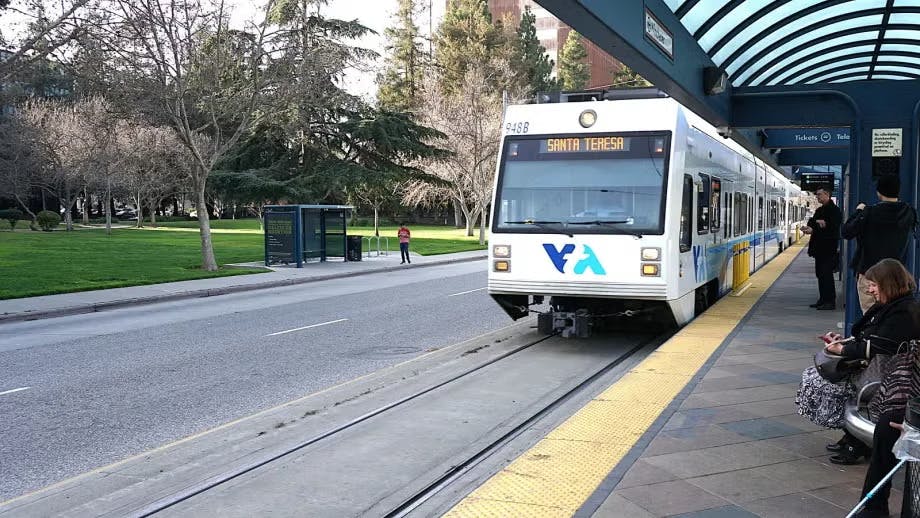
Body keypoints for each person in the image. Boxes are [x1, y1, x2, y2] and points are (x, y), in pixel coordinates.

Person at [823, 258, 920, 516]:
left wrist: (842, 349)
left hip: (899, 391)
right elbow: (869, 337)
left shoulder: (903, 313)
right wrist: (843, 343)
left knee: (884, 435)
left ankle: (874, 506)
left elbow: (878, 344)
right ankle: (874, 505)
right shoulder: (896, 307)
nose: (870, 290)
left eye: (874, 284)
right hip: (897, 388)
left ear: (888, 283)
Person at [842, 174, 917, 314]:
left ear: (879, 192)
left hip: (870, 274)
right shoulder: (909, 212)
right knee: (892, 315)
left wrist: (859, 211)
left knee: (871, 316)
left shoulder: (869, 212)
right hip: (896, 275)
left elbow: (846, 232)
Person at [801, 187, 842, 310]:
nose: (817, 197)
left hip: (828, 249)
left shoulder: (835, 211)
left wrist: (816, 227)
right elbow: (812, 223)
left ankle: (830, 301)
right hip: (818, 249)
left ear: (827, 194)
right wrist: (817, 225)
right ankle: (823, 299)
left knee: (826, 274)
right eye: (817, 195)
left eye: (819, 195)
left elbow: (832, 228)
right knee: (820, 274)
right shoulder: (819, 210)